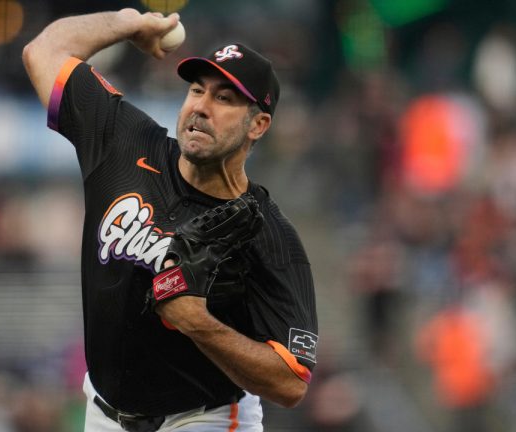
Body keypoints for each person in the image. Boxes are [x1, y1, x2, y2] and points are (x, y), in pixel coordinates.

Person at [22, 8, 318, 432]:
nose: (201, 107)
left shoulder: (268, 235)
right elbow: (43, 50)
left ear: (259, 124)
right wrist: (127, 24)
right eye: (197, 90)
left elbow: (291, 383)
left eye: (224, 99)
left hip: (205, 419)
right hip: (102, 413)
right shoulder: (123, 143)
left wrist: (199, 324)